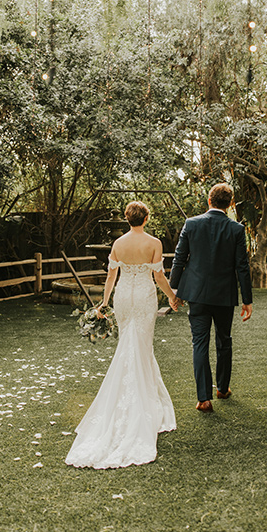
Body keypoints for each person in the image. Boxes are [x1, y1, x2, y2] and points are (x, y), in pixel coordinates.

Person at [65, 201, 178, 469]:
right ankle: (143, 410)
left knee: (131, 345)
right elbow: (159, 276)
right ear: (146, 218)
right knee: (141, 346)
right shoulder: (154, 242)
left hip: (124, 298)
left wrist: (104, 303)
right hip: (143, 297)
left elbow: (110, 278)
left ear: (127, 219)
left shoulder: (118, 244)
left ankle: (137, 402)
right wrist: (172, 295)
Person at [169, 183, 252, 412]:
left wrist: (173, 290)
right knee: (224, 341)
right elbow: (242, 267)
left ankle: (203, 398)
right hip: (224, 295)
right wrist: (247, 300)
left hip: (196, 294)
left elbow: (179, 258)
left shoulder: (191, 224)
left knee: (200, 342)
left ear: (209, 200)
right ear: (230, 204)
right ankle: (223, 389)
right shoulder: (236, 229)